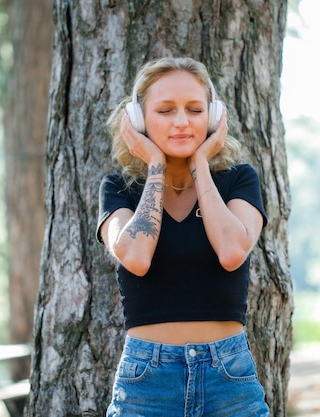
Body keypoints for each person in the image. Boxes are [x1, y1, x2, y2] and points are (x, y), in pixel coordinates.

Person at [97, 56, 270, 417]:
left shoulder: (238, 180)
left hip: (228, 376)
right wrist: (156, 166)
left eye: (194, 109)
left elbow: (232, 251)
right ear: (140, 119)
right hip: (148, 381)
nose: (181, 122)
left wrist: (201, 164)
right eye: (165, 110)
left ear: (212, 116)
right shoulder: (119, 189)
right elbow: (136, 257)